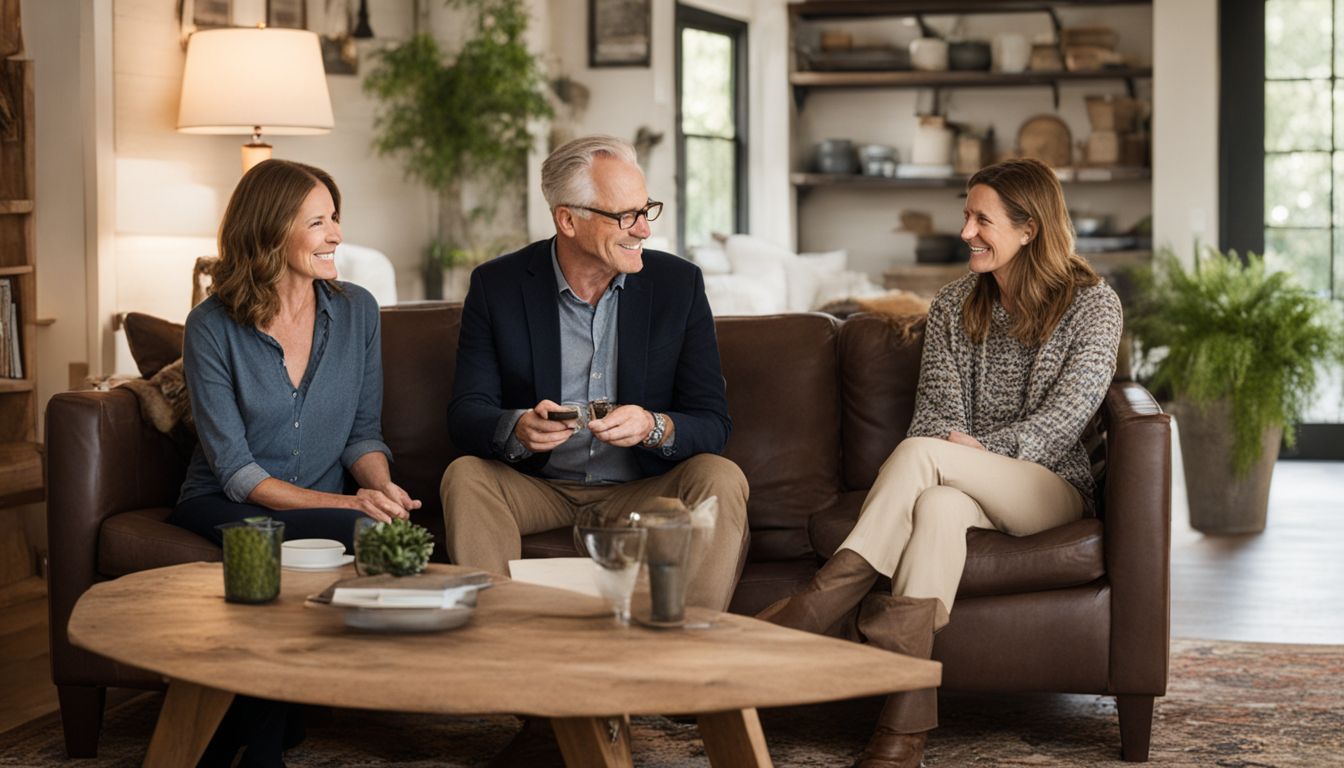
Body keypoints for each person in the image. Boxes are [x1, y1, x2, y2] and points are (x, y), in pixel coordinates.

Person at [758, 157, 1123, 768]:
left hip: (1048, 485)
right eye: (966, 216)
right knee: (937, 505)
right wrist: (963, 459)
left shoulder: (1095, 306)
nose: (966, 233)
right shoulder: (955, 304)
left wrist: (987, 451)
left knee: (925, 461)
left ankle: (823, 601)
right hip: (957, 478)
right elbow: (933, 414)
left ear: (1029, 229)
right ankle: (903, 732)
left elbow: (1066, 417)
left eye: (982, 219)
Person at [168, 159, 420, 767]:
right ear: (270, 231)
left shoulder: (357, 309)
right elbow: (237, 472)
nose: (336, 234)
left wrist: (383, 491)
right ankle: (264, 744)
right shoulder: (210, 327)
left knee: (390, 535)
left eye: (336, 218)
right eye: (318, 221)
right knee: (330, 535)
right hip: (225, 501)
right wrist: (351, 505)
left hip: (313, 504)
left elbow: (362, 434)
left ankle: (247, 728)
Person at [440, 135, 749, 612]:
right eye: (626, 216)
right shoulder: (497, 285)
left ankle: (688, 644)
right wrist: (518, 427)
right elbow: (466, 413)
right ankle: (498, 641)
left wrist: (653, 425)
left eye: (646, 210)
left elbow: (712, 421)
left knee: (721, 477)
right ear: (568, 219)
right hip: (538, 486)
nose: (643, 230)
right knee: (465, 476)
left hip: (642, 488)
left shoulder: (677, 284)